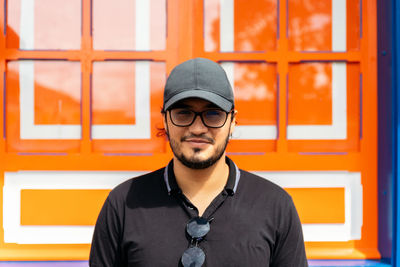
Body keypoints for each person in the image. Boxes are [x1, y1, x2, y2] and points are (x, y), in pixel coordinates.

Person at [89, 57, 308, 266]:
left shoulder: (275, 206)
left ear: (232, 121)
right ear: (165, 120)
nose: (197, 128)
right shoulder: (124, 204)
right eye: (183, 113)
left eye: (213, 114)